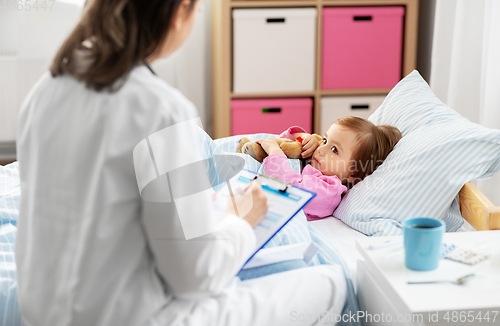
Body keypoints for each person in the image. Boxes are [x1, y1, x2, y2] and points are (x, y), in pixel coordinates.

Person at [15, 0, 347, 325]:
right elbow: (195, 276)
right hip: (126, 316)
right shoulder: (161, 109)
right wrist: (241, 221)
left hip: (42, 313)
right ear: (180, 10)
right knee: (332, 285)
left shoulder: (45, 89)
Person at [259, 117, 402, 220]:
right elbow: (282, 142)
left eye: (334, 150)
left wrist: (274, 153)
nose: (321, 149)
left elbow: (290, 189)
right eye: (325, 140)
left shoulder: (328, 190)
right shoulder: (314, 161)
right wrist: (302, 137)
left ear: (354, 172)